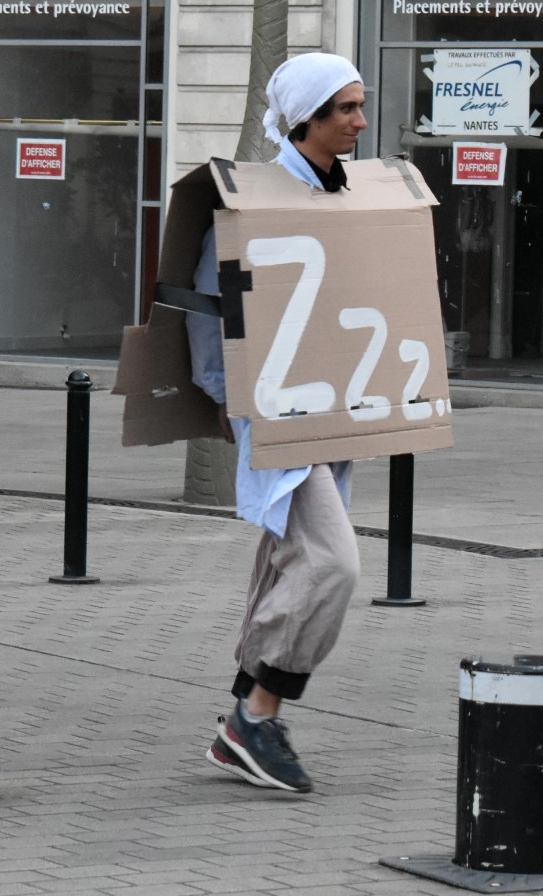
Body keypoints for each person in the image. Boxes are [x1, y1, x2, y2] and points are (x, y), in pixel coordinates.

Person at [186, 53, 368, 793]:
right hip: (277, 410)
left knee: (288, 560)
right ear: (307, 120)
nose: (360, 120)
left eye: (360, 105)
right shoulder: (252, 201)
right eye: (346, 108)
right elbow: (208, 312)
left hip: (337, 406)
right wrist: (233, 399)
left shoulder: (356, 195)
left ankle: (242, 711)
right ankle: (256, 716)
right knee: (333, 563)